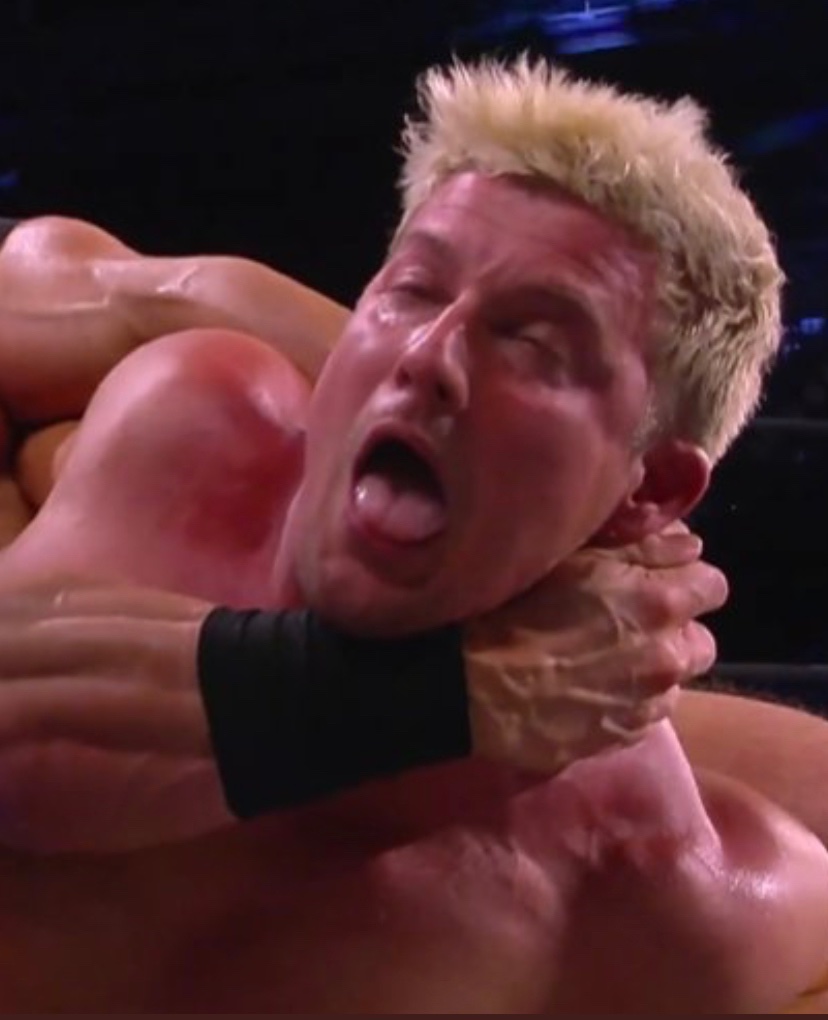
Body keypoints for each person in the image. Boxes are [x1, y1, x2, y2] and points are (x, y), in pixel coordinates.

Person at [0, 56, 824, 1012]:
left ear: (656, 490)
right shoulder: (205, 412)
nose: (428, 355)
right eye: (412, 293)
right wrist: (442, 691)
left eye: (537, 342)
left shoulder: (664, 895)